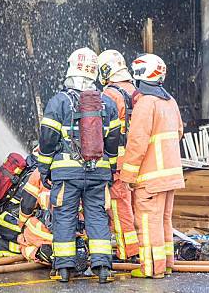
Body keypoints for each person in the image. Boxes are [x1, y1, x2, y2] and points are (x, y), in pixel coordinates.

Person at [37, 47, 120, 283]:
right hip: (98, 173)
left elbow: (47, 138)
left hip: (66, 173)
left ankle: (64, 269)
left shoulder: (59, 102)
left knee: (64, 217)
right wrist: (110, 169)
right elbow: (114, 141)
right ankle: (103, 267)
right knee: (97, 217)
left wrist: (44, 168)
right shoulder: (108, 104)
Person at [119, 54, 184, 279]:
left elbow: (137, 143)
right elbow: (179, 132)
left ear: (139, 76)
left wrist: (127, 176)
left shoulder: (146, 104)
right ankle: (166, 264)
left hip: (150, 178)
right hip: (171, 175)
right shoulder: (170, 101)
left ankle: (150, 268)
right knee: (164, 220)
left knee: (147, 223)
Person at [96, 49, 139, 261]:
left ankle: (128, 252)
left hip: (118, 161)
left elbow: (104, 131)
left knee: (119, 205)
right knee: (136, 206)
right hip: (138, 160)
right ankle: (142, 248)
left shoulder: (109, 95)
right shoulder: (137, 92)